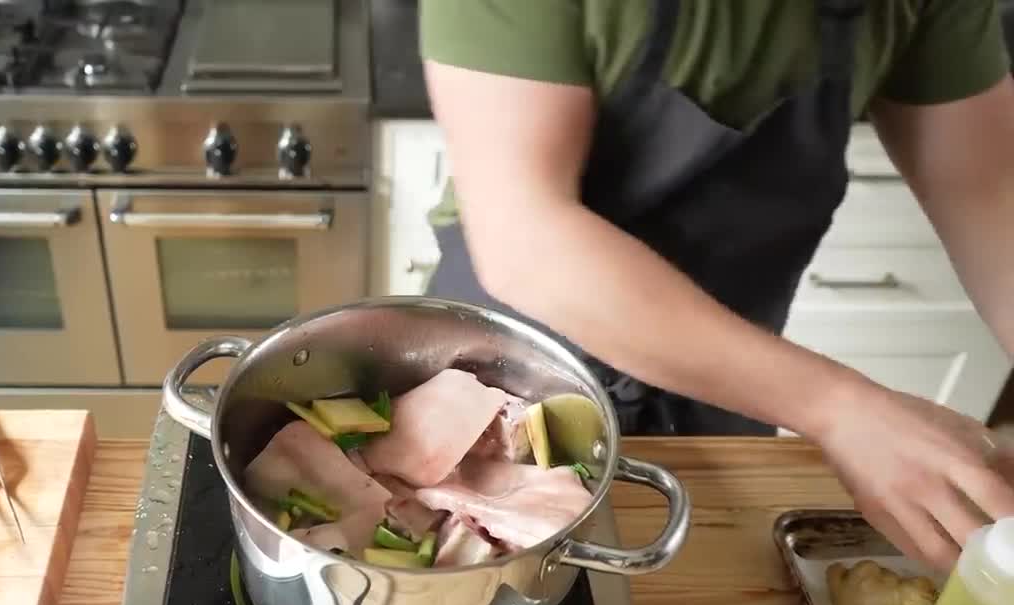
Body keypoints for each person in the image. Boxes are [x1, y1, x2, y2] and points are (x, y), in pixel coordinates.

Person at [419, 0, 1014, 571]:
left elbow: (992, 194)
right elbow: (526, 242)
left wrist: (836, 410)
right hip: (508, 380)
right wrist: (840, 410)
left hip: (729, 382)